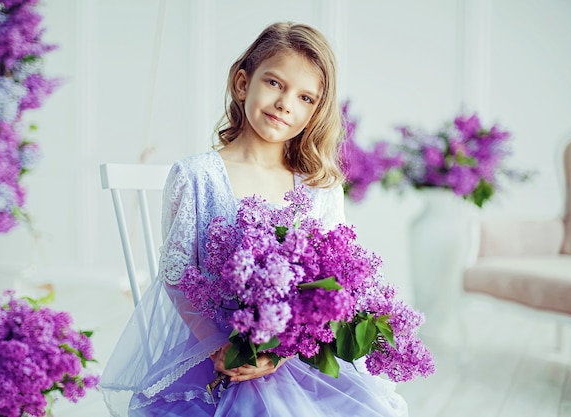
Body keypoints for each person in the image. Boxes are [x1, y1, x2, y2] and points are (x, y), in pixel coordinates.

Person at [99, 22, 408, 417]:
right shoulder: (197, 176)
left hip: (296, 355)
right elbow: (177, 273)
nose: (285, 103)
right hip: (214, 349)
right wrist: (219, 345)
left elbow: (334, 287)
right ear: (243, 84)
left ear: (315, 112)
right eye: (275, 83)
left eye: (305, 98)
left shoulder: (318, 188)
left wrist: (281, 351)